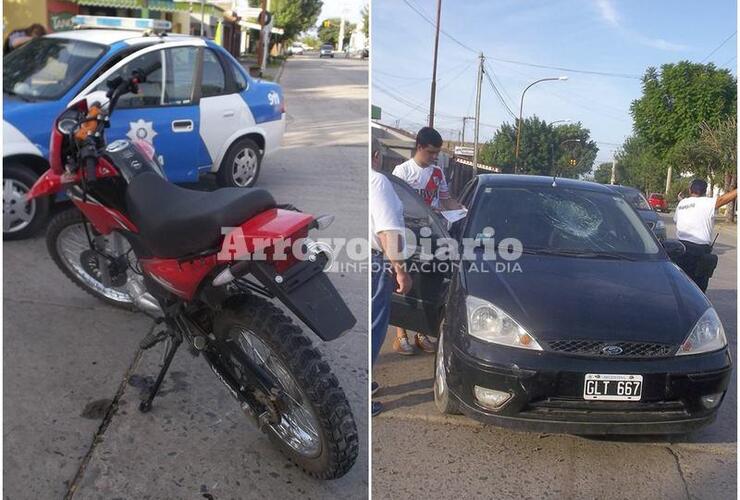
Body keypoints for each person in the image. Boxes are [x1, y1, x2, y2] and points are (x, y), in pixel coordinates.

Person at [391, 126, 462, 355]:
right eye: (431, 152)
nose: (434, 157)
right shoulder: (401, 172)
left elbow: (445, 200)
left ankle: (421, 332)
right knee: (405, 282)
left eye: (437, 153)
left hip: (431, 236)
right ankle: (401, 335)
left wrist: (461, 209)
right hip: (408, 236)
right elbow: (396, 206)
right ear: (419, 147)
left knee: (427, 283)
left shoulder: (437, 173)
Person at [370, 137, 412, 416]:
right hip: (377, 263)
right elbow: (388, 233)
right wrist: (401, 270)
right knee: (375, 326)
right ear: (376, 155)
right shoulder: (379, 182)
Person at [673, 179, 736, 292]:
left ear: (690, 190)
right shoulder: (707, 202)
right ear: (705, 191)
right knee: (698, 288)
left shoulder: (682, 203)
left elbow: (677, 221)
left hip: (680, 249)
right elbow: (723, 199)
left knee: (681, 285)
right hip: (700, 251)